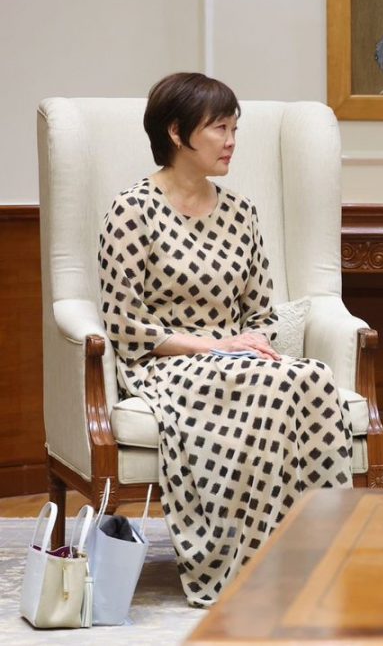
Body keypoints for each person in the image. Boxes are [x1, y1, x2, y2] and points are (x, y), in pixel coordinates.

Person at [98, 72, 352, 607]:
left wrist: (249, 341)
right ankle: (250, 568)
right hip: (165, 364)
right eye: (219, 128)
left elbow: (260, 312)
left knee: (312, 378)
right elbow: (124, 326)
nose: (232, 140)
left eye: (235, 127)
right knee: (273, 384)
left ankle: (316, 557)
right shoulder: (131, 210)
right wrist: (215, 347)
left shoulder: (242, 213)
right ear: (176, 132)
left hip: (237, 358)